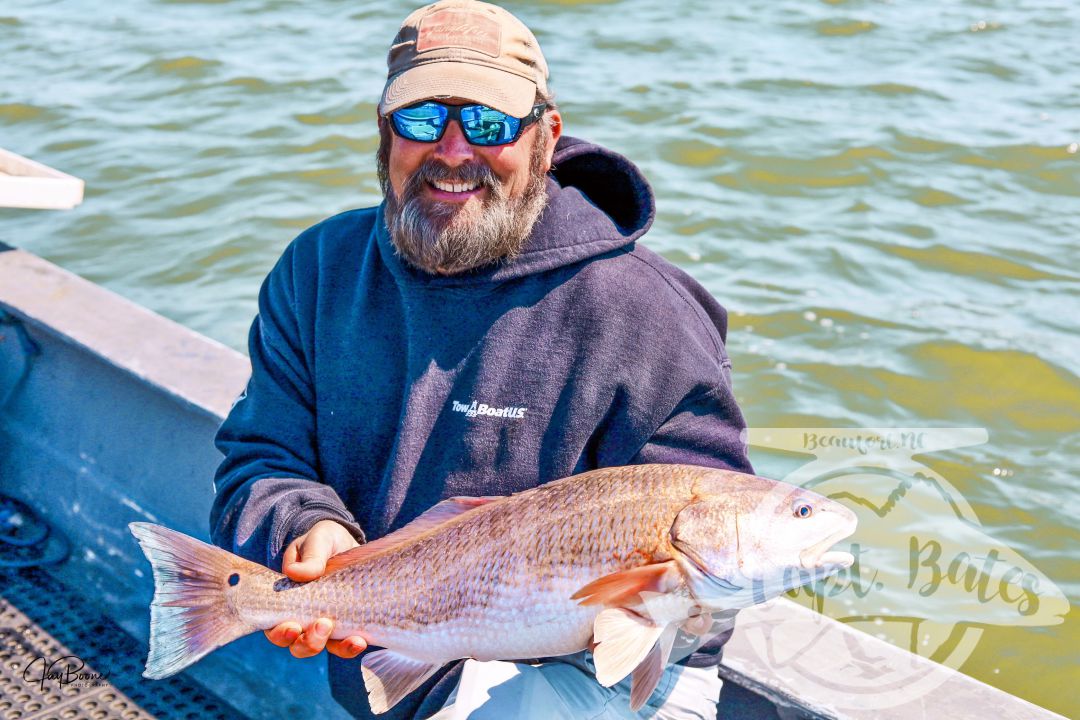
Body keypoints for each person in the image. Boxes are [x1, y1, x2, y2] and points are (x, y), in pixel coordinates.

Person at [210, 0, 753, 717]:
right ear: (385, 131)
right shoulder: (317, 268)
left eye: (491, 124)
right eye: (423, 119)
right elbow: (261, 454)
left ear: (546, 137)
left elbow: (711, 545)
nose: (454, 150)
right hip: (400, 646)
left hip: (613, 668)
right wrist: (305, 527)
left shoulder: (648, 312)